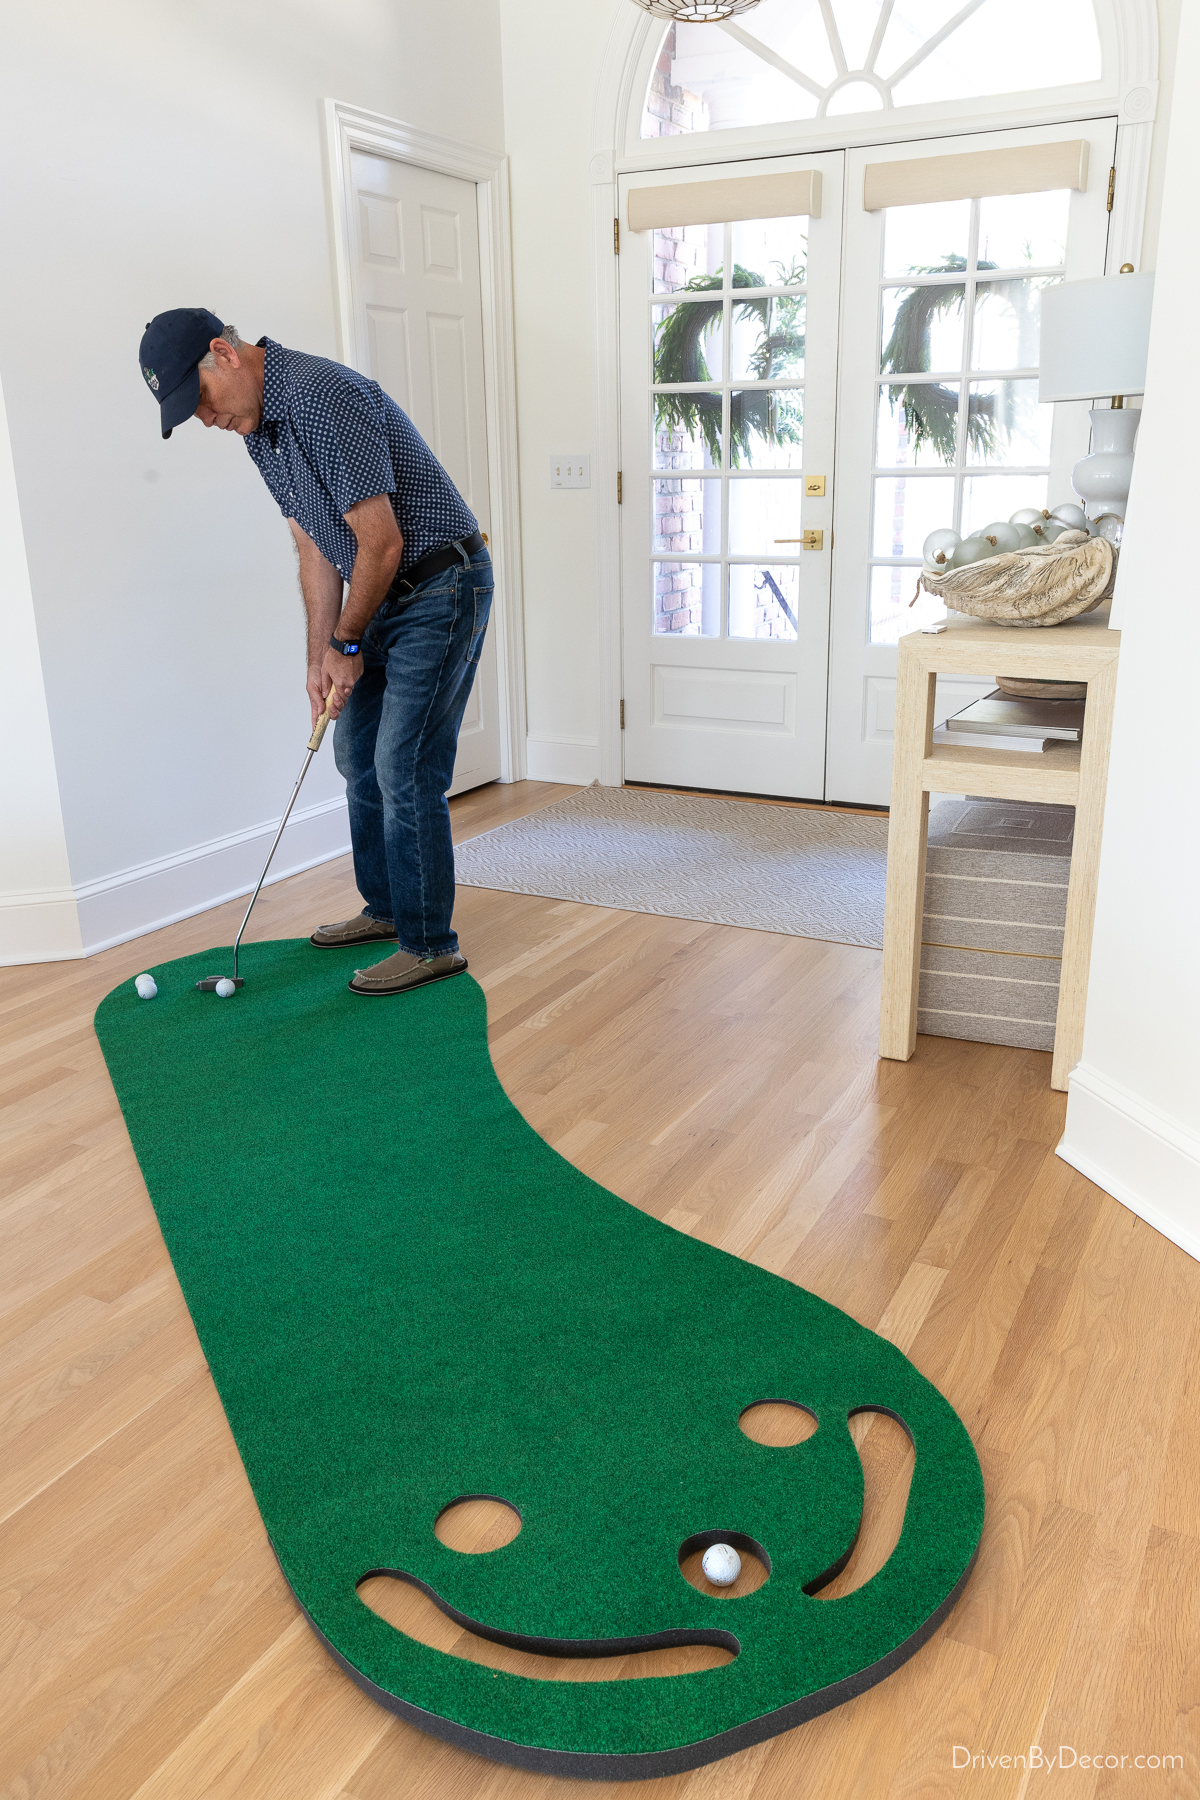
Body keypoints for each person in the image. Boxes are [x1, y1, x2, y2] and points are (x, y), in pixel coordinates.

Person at [138, 307, 492, 997]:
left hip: (438, 585)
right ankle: (386, 910)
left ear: (225, 354)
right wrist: (318, 659)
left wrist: (347, 643)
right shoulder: (259, 430)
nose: (205, 419)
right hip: (380, 592)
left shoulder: (322, 399)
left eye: (201, 399)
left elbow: (381, 542)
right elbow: (313, 550)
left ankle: (429, 944)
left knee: (403, 761)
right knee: (354, 751)